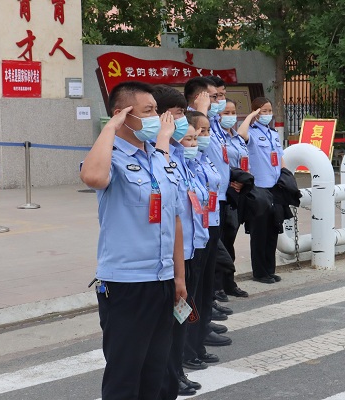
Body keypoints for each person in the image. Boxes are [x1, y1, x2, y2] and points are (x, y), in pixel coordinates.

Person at [80, 81, 186, 400]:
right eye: (148, 111)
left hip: (163, 280)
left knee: (156, 372)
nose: (157, 117)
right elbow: (93, 177)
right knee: (125, 376)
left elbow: (175, 218)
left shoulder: (159, 157)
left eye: (157, 110)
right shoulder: (109, 157)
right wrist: (110, 128)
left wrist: (179, 276)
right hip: (126, 285)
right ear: (122, 114)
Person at [151, 85, 204, 398]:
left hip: (187, 247)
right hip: (167, 255)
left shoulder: (181, 152)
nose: (184, 121)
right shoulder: (159, 154)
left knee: (181, 316)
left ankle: (177, 371)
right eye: (180, 113)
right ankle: (170, 373)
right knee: (170, 322)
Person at [183, 111, 232, 373]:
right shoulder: (181, 165)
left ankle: (197, 343)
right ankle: (188, 349)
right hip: (192, 237)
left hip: (207, 229)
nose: (199, 139)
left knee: (202, 293)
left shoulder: (202, 160)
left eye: (203, 133)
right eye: (192, 136)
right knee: (189, 296)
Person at [238, 97, 284, 284]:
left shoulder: (273, 134)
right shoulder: (251, 132)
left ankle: (270, 269)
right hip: (259, 189)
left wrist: (286, 178)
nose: (267, 114)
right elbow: (241, 133)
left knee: (273, 230)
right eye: (263, 111)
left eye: (269, 110)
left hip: (275, 187)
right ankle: (260, 272)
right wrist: (252, 116)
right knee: (259, 233)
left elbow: (280, 157)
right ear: (256, 112)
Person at [214, 98, 249, 298]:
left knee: (230, 240)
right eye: (225, 113)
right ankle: (217, 286)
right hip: (220, 194)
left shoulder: (236, 138)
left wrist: (242, 181)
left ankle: (229, 283)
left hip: (236, 194)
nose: (230, 116)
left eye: (232, 112)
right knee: (217, 243)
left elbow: (243, 163)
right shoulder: (215, 137)